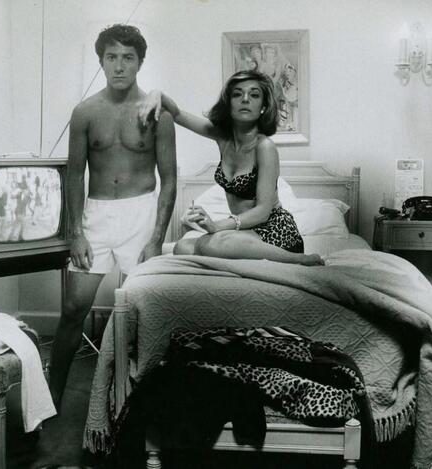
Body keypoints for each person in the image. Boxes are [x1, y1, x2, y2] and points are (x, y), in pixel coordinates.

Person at [48, 24, 177, 412]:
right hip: (98, 215)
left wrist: (156, 237)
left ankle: (142, 404)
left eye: (128, 58)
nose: (119, 66)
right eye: (111, 57)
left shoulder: (157, 115)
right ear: (101, 61)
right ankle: (51, 400)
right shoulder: (85, 112)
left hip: (142, 213)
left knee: (145, 313)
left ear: (140, 62)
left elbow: (170, 179)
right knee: (73, 309)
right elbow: (75, 174)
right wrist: (76, 233)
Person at [138, 69, 322, 266]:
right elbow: (176, 114)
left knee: (214, 243)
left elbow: (263, 211)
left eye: (254, 95)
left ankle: (298, 259)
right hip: (244, 232)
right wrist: (156, 93)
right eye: (237, 94)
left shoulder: (264, 147)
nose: (245, 99)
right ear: (229, 104)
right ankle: (227, 247)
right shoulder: (222, 139)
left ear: (263, 107)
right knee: (181, 247)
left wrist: (217, 226)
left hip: (275, 231)